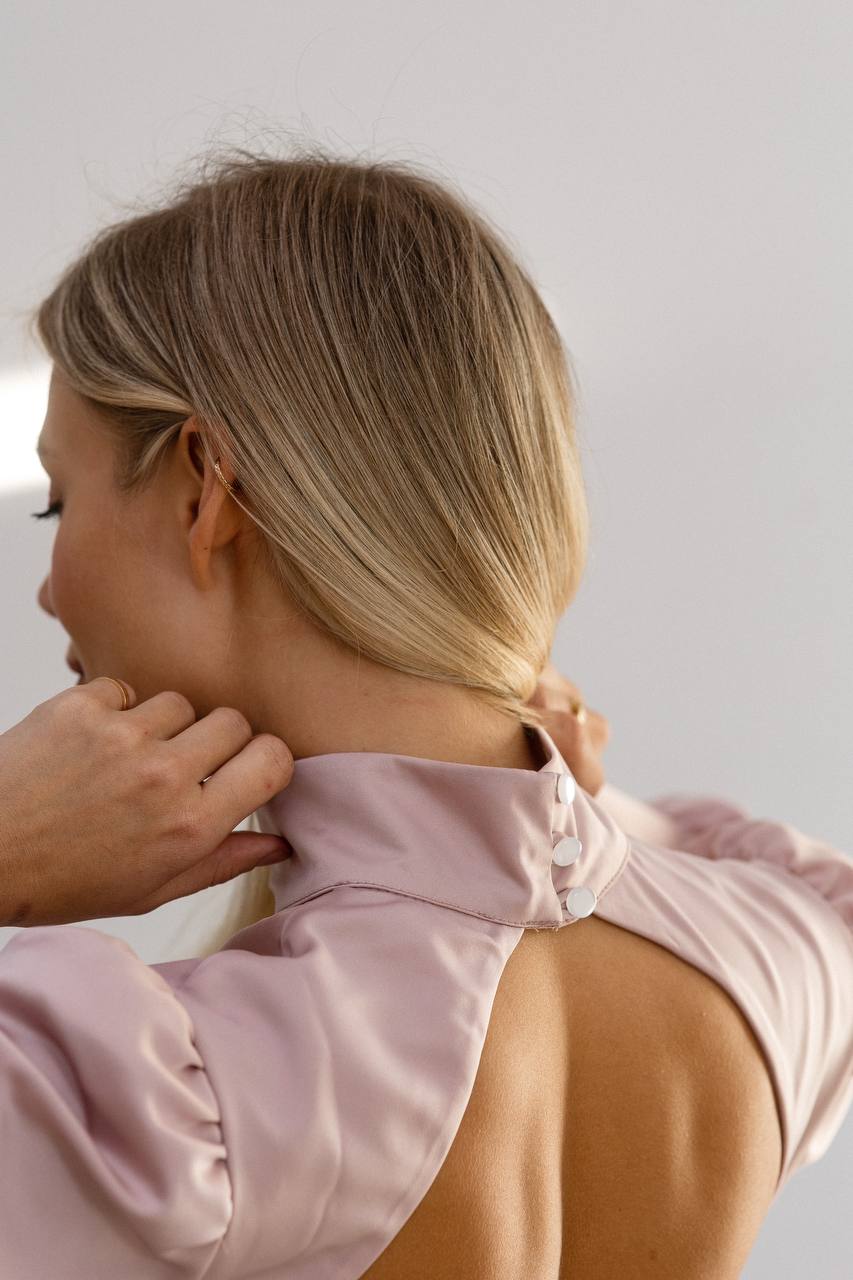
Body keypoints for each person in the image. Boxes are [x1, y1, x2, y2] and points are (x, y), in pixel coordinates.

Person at [1, 146, 850, 1278]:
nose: (49, 585)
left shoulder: (155, 1104)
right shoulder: (777, 962)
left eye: (58, 499)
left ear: (205, 483)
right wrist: (537, 778)